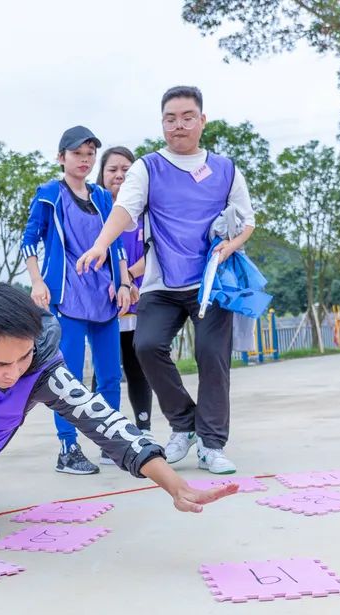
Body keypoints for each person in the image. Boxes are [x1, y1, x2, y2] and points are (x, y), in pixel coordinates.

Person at [0, 255, 238, 536]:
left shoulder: (44, 371)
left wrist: (174, 484)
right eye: (0, 363)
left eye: (23, 356)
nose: (13, 372)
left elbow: (107, 425)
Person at [78, 87, 256, 475]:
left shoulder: (226, 169)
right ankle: (183, 424)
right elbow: (126, 208)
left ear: (202, 120)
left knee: (213, 358)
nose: (179, 125)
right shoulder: (148, 167)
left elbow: (248, 220)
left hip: (211, 282)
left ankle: (211, 445)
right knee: (146, 345)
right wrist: (99, 245)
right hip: (162, 282)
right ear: (162, 123)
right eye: (170, 118)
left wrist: (230, 246)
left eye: (187, 116)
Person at [21, 126, 132, 475]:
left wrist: (124, 282)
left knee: (110, 375)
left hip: (104, 298)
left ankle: (110, 443)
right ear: (61, 157)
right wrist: (37, 282)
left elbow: (114, 244)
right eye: (77, 154)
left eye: (89, 154)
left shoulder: (102, 197)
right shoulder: (49, 194)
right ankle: (68, 449)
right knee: (67, 378)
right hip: (67, 299)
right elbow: (29, 241)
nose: (84, 160)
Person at [93, 146, 154, 465]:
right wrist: (112, 285)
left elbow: (154, 249)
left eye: (126, 170)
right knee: (105, 373)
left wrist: (128, 279)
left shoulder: (145, 210)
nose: (119, 175)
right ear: (101, 175)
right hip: (103, 304)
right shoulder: (95, 212)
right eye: (112, 169)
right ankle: (106, 437)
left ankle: (143, 430)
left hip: (139, 301)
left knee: (138, 366)